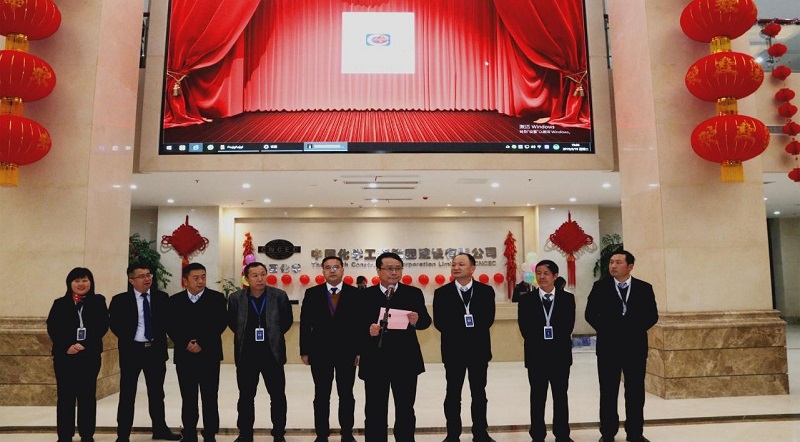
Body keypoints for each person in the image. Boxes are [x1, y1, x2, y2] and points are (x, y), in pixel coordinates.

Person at [585, 250, 658, 442]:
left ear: (630, 266)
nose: (613, 266)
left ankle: (635, 433)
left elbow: (652, 316)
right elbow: (590, 314)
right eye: (611, 262)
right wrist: (610, 329)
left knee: (635, 392)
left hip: (635, 347)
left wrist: (632, 329)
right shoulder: (600, 287)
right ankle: (607, 432)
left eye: (618, 262)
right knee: (608, 391)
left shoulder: (644, 288)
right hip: (608, 347)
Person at [358, 252, 432, 441]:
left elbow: (426, 321)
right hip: (375, 360)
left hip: (405, 360)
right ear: (378, 270)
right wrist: (368, 330)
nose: (394, 272)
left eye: (398, 268)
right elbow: (354, 327)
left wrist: (417, 320)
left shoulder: (413, 293)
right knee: (375, 409)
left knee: (405, 409)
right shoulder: (365, 295)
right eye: (389, 268)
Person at [109, 262, 181, 442]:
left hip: (155, 352)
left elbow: (170, 323)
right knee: (127, 394)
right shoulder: (120, 300)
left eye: (149, 275)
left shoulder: (162, 298)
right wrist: (130, 338)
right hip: (132, 352)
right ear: (131, 280)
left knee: (157, 393)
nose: (147, 279)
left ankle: (160, 429)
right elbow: (115, 325)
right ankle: (123, 434)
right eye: (141, 276)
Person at [433, 253, 497, 442]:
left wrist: (461, 327)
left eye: (461, 264)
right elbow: (440, 322)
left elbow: (487, 319)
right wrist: (463, 328)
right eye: (453, 264)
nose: (456, 267)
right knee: (453, 394)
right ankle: (453, 434)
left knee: (479, 393)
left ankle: (480, 433)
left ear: (472, 268)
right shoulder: (442, 293)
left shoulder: (486, 291)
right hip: (453, 351)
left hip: (478, 350)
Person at [228, 262, 294, 442]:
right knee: (246, 397)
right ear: (246, 279)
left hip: (272, 354)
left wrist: (273, 334)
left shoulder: (279, 296)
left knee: (277, 396)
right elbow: (233, 323)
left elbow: (286, 321)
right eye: (255, 275)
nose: (260, 278)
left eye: (263, 274)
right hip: (246, 354)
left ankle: (279, 433)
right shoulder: (236, 298)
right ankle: (245, 433)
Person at [300, 256, 360, 442]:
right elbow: (305, 324)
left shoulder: (356, 294)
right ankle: (321, 434)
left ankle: (347, 433)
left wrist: (360, 351)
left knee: (346, 395)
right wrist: (305, 351)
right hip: (320, 353)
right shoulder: (312, 293)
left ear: (342, 270)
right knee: (321, 395)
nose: (332, 270)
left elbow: (360, 325)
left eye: (336, 267)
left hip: (347, 353)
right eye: (328, 267)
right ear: (323, 271)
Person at [46, 267, 109, 442]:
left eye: (84, 280)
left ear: (91, 282)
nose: (81, 284)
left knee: (87, 396)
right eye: (77, 281)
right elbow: (53, 328)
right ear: (70, 283)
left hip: (89, 355)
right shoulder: (60, 303)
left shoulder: (98, 302)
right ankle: (64, 435)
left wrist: (84, 344)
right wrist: (67, 346)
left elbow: (102, 325)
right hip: (65, 356)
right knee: (65, 396)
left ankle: (87, 434)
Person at [167, 262, 228, 442]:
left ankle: (210, 433)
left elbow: (219, 323)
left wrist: (201, 343)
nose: (200, 281)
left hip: (209, 354)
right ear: (185, 281)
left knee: (210, 396)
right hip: (185, 355)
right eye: (196, 278)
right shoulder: (175, 301)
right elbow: (171, 325)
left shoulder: (216, 298)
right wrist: (185, 342)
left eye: (203, 277)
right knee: (188, 397)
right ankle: (189, 432)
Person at [518, 260, 576, 442]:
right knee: (537, 396)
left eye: (546, 273)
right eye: (539, 273)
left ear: (555, 276)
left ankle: (562, 434)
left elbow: (568, 326)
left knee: (560, 396)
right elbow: (525, 328)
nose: (542, 277)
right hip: (536, 355)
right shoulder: (526, 299)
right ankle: (537, 434)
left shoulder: (567, 299)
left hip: (560, 355)